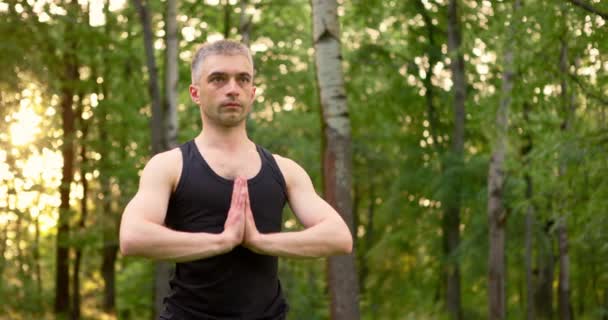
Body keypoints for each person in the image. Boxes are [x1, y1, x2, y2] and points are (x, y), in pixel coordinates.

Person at [119, 39, 353, 320]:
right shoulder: (169, 166)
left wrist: (259, 242)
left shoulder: (285, 170)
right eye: (218, 79)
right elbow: (132, 236)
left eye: (243, 79)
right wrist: (222, 242)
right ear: (195, 92)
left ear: (252, 92)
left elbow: (339, 237)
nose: (232, 89)